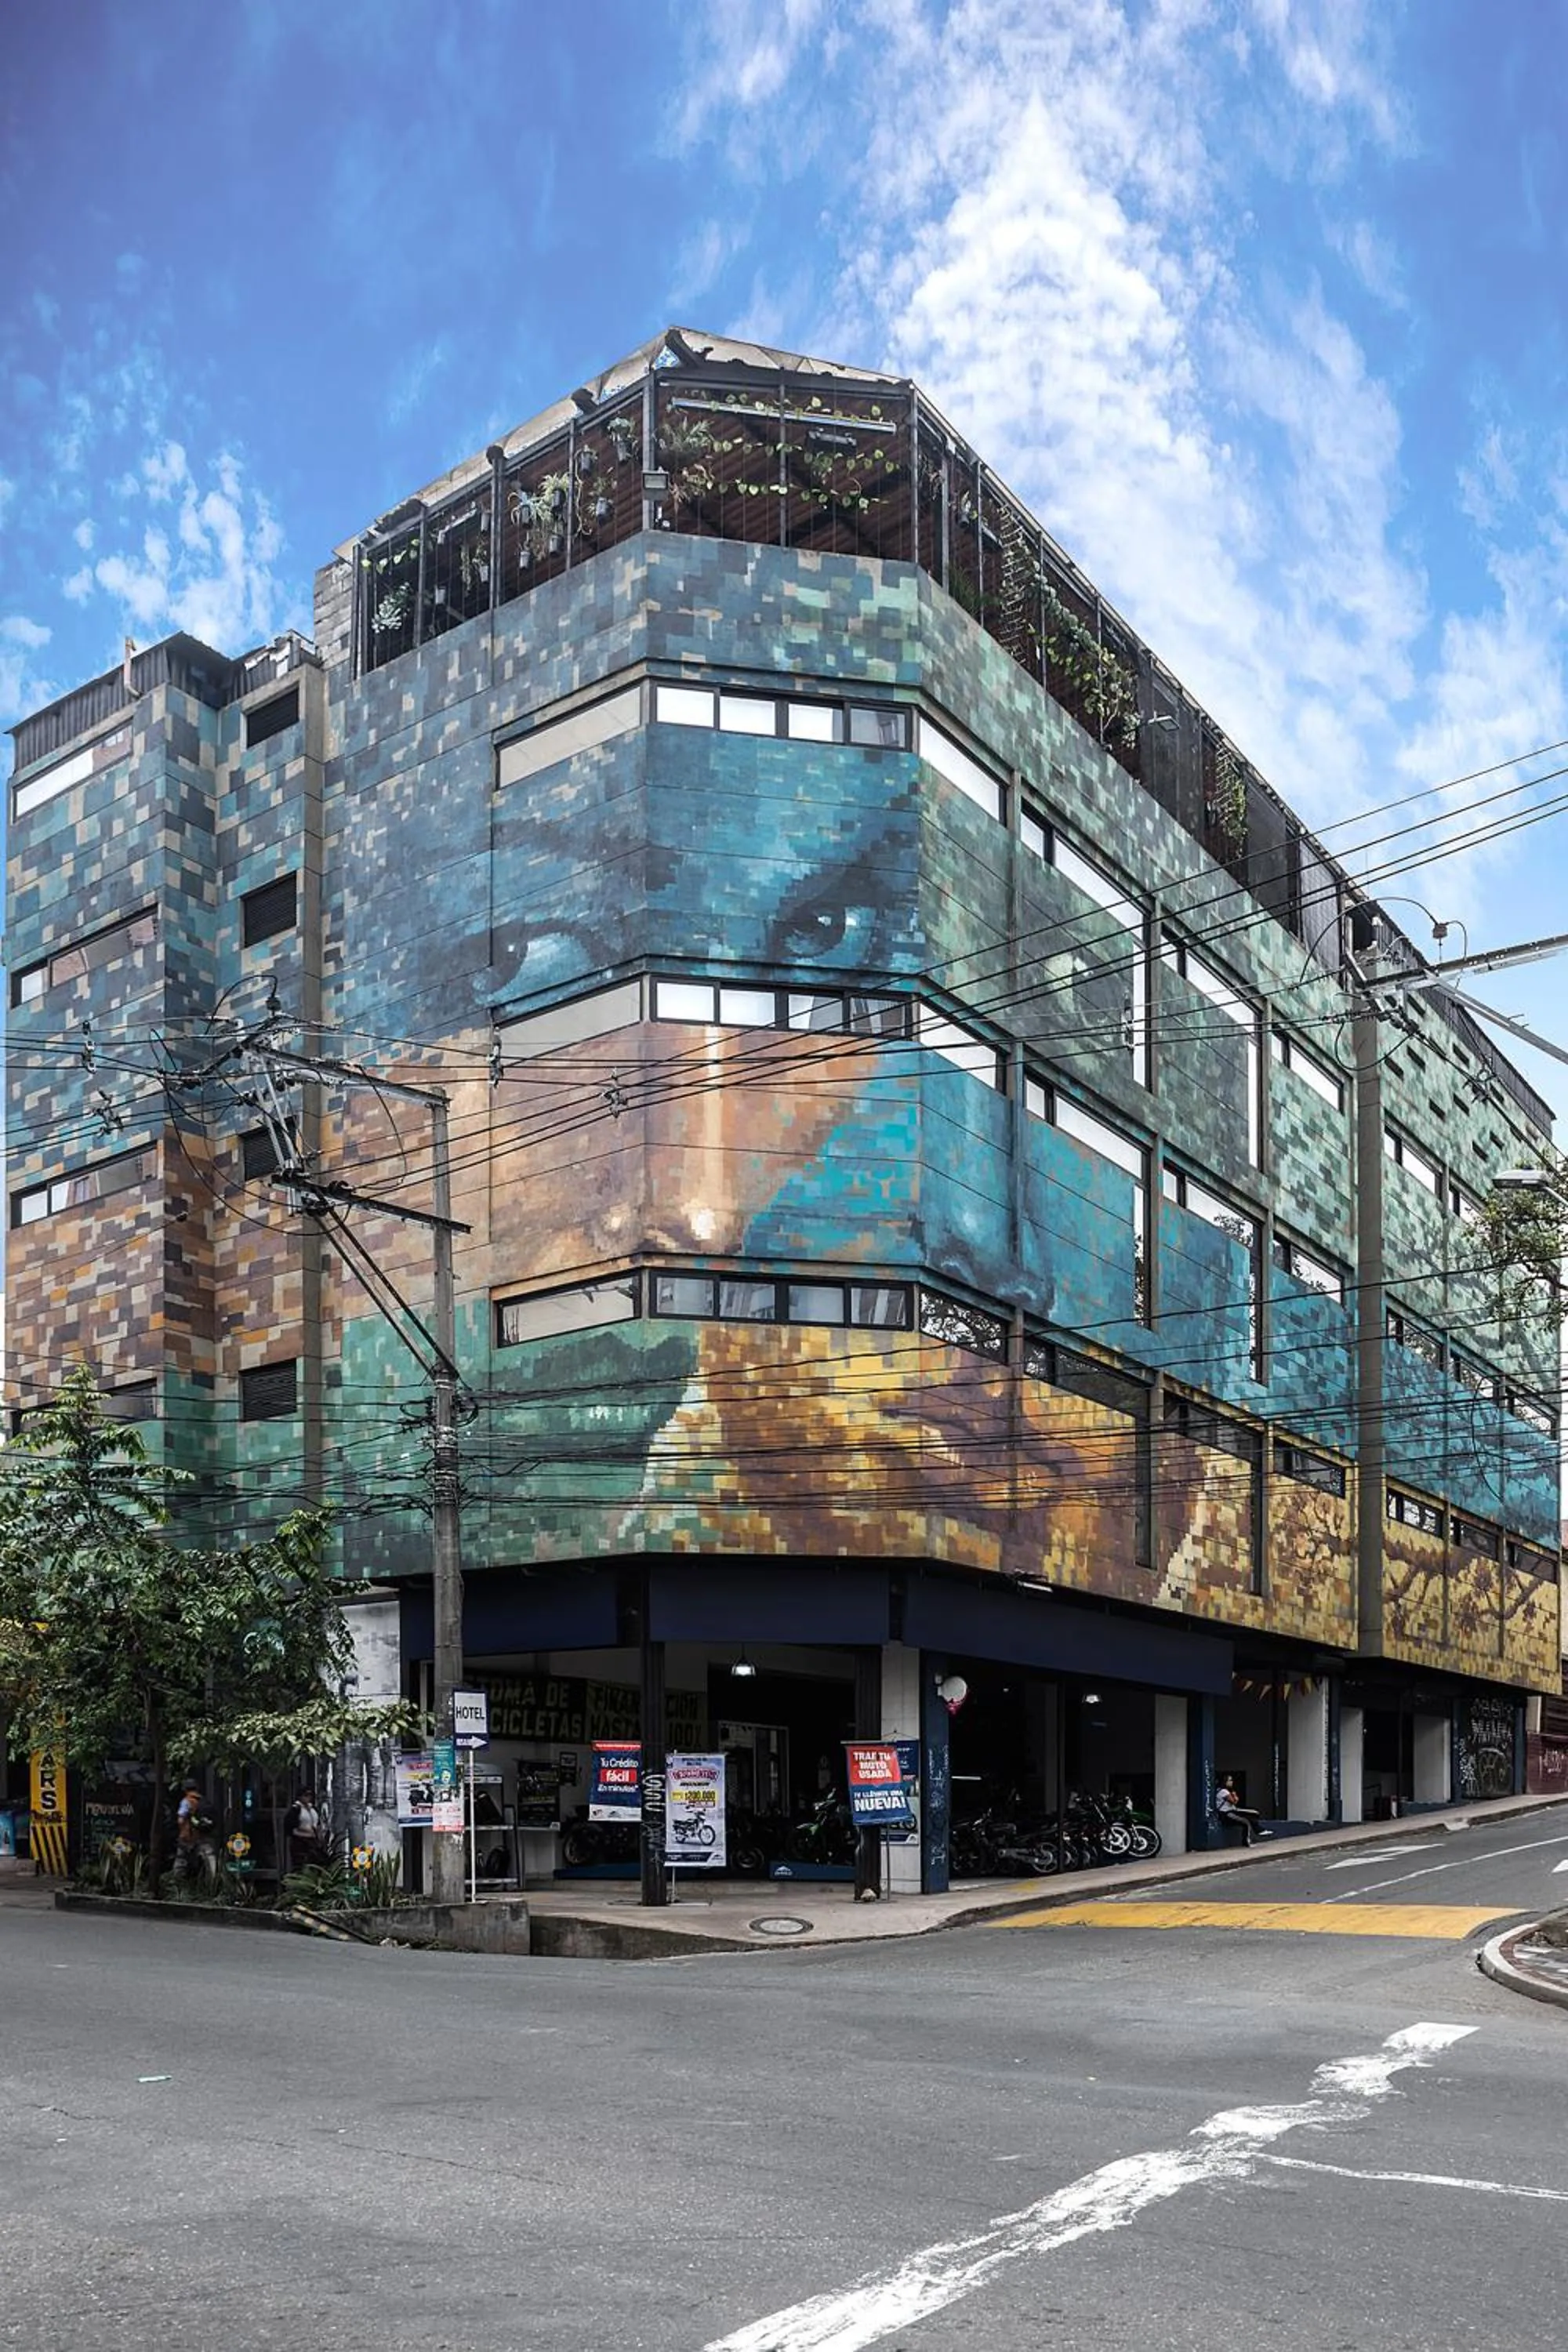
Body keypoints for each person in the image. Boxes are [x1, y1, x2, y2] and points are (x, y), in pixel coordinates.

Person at [172, 1780, 216, 1881]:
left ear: (185, 1790)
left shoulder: (186, 1801)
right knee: (209, 1860)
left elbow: (181, 1820)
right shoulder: (204, 1801)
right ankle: (211, 1885)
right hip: (204, 1835)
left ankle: (179, 1886)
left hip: (189, 1837)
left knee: (181, 1862)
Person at [1215, 1774, 1271, 1846]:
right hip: (1227, 1814)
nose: (1232, 1782)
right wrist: (1235, 1795)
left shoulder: (1221, 1790)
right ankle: (1252, 1837)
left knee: (1254, 1813)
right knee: (1246, 1822)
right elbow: (1234, 1801)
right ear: (1225, 1782)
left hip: (1231, 1811)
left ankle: (1259, 1830)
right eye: (1230, 1780)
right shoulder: (1224, 1791)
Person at [284, 1787, 327, 1871]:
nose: (308, 1798)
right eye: (305, 1795)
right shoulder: (296, 1809)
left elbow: (317, 1824)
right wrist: (304, 1831)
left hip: (313, 1840)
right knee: (302, 1864)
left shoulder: (313, 1809)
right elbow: (291, 1828)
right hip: (300, 1841)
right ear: (300, 1797)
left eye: (310, 1795)